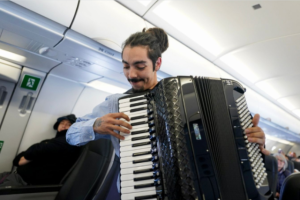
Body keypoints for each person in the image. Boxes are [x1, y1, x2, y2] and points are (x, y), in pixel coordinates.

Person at [66, 27, 268, 199]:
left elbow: (224, 146)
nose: (131, 75)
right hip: (141, 190)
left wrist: (253, 144)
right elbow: (71, 135)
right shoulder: (115, 104)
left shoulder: (187, 97)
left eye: (140, 66)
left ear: (158, 64)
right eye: (126, 66)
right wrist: (94, 125)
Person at [0, 114, 81, 186]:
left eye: (68, 124)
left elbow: (33, 152)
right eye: (62, 123)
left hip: (23, 183)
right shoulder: (51, 141)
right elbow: (20, 159)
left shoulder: (68, 143)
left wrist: (26, 156)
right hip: (15, 176)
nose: (64, 126)